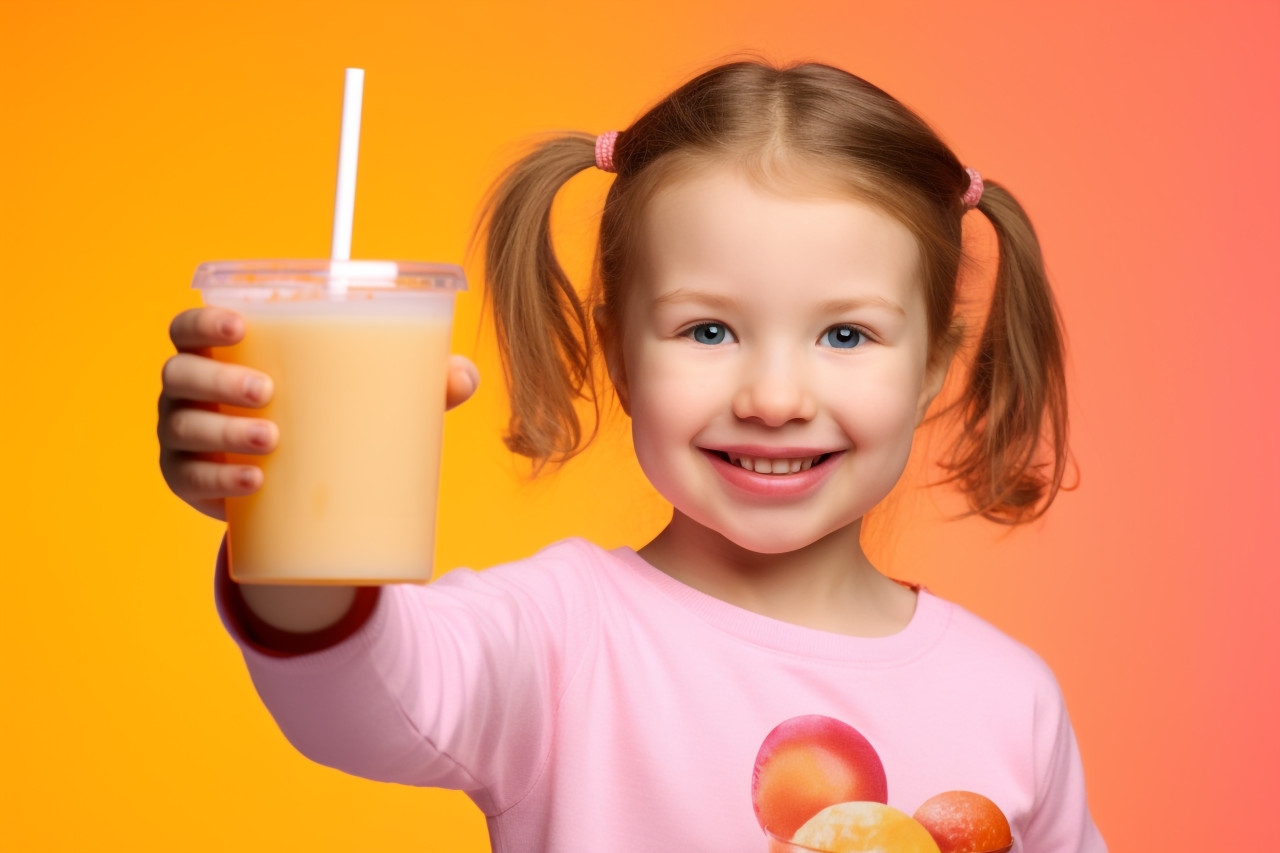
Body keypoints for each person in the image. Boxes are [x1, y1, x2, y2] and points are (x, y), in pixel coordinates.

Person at [158, 59, 1107, 851]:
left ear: (935, 362)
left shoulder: (1010, 697)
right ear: (617, 354)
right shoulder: (557, 637)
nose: (773, 398)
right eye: (706, 330)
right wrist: (284, 499)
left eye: (847, 337)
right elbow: (359, 699)